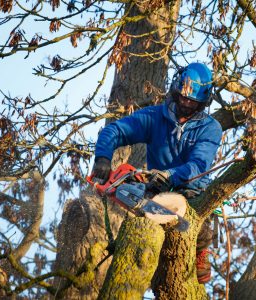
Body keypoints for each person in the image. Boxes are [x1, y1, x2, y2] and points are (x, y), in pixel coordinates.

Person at [92, 62, 222, 284]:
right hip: (157, 190)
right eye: (182, 96)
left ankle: (200, 251)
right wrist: (103, 157)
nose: (185, 102)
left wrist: (169, 175)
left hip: (193, 191)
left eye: (192, 100)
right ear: (176, 88)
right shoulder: (154, 117)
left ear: (203, 101)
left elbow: (198, 165)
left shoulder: (210, 128)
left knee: (198, 232)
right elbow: (115, 130)